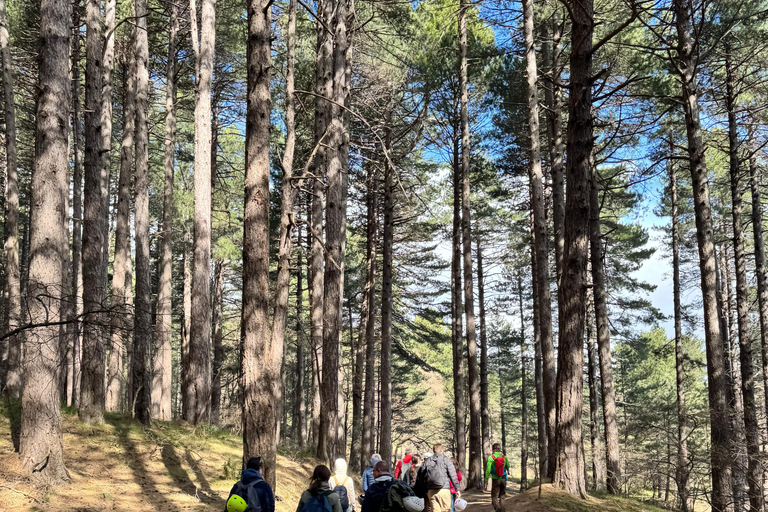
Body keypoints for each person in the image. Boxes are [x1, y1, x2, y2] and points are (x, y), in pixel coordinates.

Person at [424, 444, 460, 512]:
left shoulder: (427, 461)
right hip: (444, 490)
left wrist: (425, 490)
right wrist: (457, 489)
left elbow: (422, 476)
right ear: (442, 450)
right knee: (446, 510)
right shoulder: (446, 460)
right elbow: (453, 475)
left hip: (431, 491)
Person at [484, 443, 510, 512]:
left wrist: (486, 479)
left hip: (495, 479)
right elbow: (507, 467)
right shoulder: (504, 457)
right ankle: (503, 510)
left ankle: (497, 508)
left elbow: (488, 470)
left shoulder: (491, 458)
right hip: (504, 478)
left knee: (494, 496)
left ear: (493, 450)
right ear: (499, 449)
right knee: (502, 496)